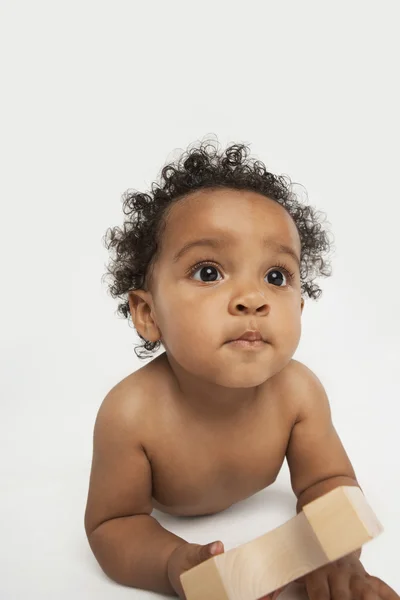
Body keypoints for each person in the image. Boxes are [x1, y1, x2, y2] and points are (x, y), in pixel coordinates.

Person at [84, 138, 398, 599]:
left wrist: (337, 552)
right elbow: (113, 524)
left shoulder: (297, 393)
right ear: (148, 314)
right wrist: (173, 563)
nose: (254, 298)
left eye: (276, 276)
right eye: (209, 272)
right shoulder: (131, 415)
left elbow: (328, 482)